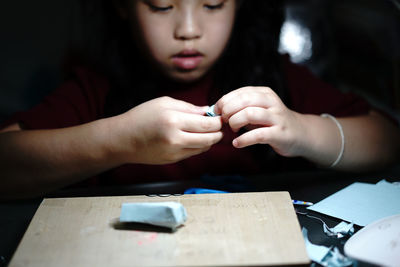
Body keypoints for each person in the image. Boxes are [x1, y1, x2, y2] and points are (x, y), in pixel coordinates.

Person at [0, 0, 399, 199]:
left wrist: (301, 130)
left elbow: (386, 141)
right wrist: (120, 140)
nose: (188, 30)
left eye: (212, 4)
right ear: (123, 7)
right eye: (161, 5)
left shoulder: (276, 77)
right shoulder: (96, 88)